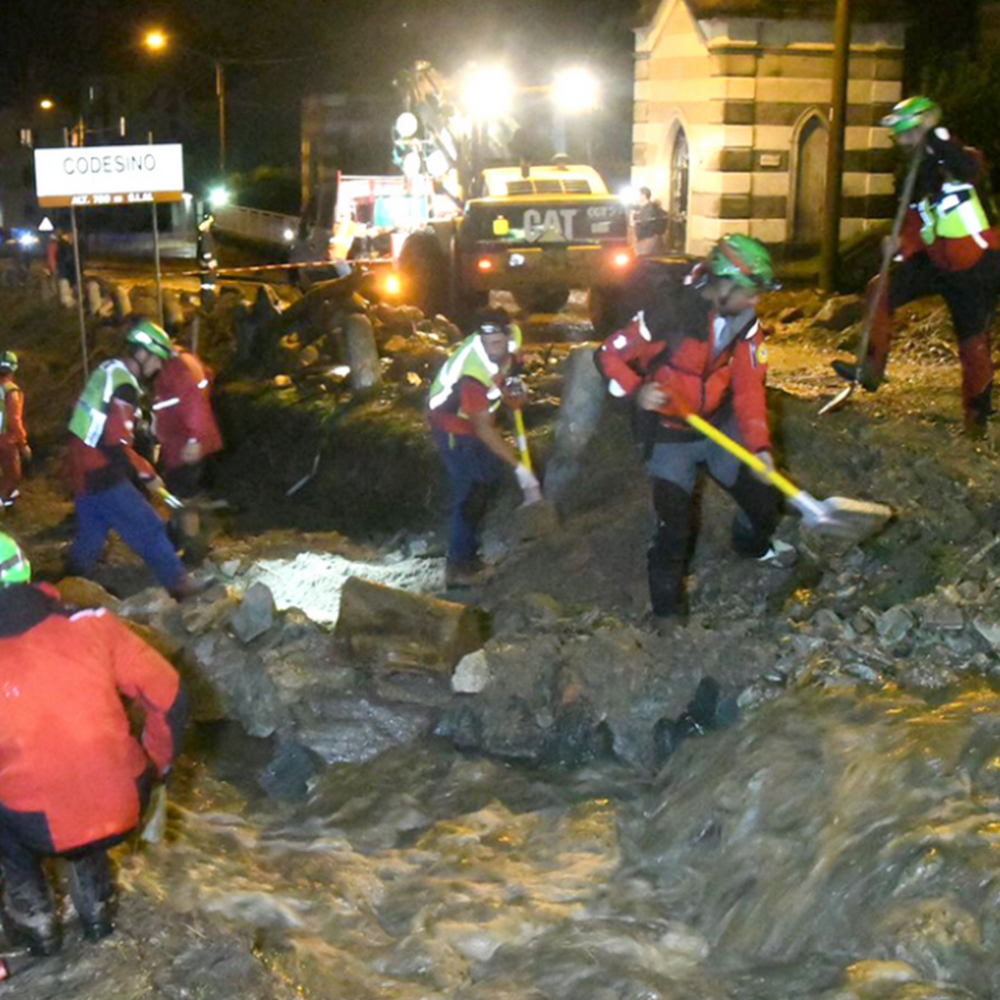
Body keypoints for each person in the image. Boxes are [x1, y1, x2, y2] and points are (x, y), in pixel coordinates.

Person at [0, 532, 186, 954]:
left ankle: (37, 922)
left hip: (32, 824)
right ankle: (96, 908)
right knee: (85, 761)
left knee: (23, 799)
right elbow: (172, 697)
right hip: (122, 805)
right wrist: (158, 766)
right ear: (26, 570)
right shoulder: (93, 623)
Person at [596, 234, 787, 625]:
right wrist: (639, 390)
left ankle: (750, 546)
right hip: (670, 435)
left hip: (717, 425)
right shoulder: (669, 314)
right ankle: (666, 616)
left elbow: (750, 389)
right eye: (750, 292)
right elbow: (608, 355)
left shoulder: (747, 328)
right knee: (674, 528)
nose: (755, 302)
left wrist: (759, 446)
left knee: (765, 501)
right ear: (724, 284)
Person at [831, 95, 1000, 435]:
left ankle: (977, 419)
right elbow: (915, 224)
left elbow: (969, 169)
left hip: (976, 265)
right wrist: (900, 248)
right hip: (938, 261)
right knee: (882, 287)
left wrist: (935, 136)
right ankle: (871, 367)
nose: (902, 143)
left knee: (972, 341)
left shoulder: (958, 158)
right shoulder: (917, 175)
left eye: (907, 135)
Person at [65, 320, 205, 599]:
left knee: (92, 533)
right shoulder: (125, 386)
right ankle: (182, 587)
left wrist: (137, 425)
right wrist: (148, 474)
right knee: (148, 527)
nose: (156, 369)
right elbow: (116, 442)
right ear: (143, 353)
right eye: (156, 361)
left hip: (80, 464)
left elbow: (97, 417)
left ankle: (67, 581)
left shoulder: (108, 370)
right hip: (102, 469)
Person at [428, 308, 541, 587]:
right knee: (469, 494)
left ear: (506, 333)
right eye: (489, 341)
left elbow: (514, 360)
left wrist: (514, 384)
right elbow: (482, 429)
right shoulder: (472, 375)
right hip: (452, 425)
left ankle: (470, 554)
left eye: (500, 340)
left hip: (477, 418)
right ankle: (458, 567)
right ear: (480, 337)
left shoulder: (512, 336)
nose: (496, 346)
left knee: (487, 478)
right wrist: (520, 469)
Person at [151, 334, 223, 564]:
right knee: (185, 494)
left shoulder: (176, 369)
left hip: (184, 445)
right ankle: (182, 537)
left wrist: (194, 439)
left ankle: (194, 549)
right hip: (182, 442)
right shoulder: (186, 360)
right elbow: (207, 379)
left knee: (186, 497)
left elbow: (193, 404)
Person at [0, 351, 29, 508]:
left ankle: (9, 502)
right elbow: (14, 419)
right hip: (6, 440)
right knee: (12, 476)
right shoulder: (11, 391)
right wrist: (23, 443)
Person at [632, 186, 668, 257]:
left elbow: (644, 223)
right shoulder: (644, 208)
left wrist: (636, 218)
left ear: (644, 196)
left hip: (648, 241)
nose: (636, 197)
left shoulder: (649, 209)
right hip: (646, 241)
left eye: (638, 195)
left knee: (643, 262)